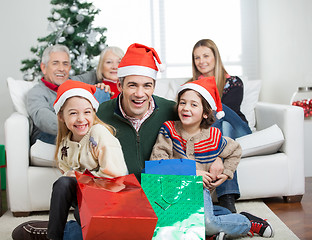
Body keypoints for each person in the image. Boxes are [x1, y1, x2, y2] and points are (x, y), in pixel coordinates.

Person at [150, 78, 274, 239]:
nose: (186, 108)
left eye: (194, 105)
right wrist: (191, 172)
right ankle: (219, 226)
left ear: (206, 112)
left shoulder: (213, 136)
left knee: (207, 223)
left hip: (199, 191)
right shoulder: (168, 129)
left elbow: (235, 150)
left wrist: (227, 172)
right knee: (165, 226)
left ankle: (247, 222)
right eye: (182, 103)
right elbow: (157, 162)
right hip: (172, 189)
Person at [48, 80, 128, 240]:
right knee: (62, 184)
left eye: (87, 112)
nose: (81, 119)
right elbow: (66, 176)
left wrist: (80, 177)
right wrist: (72, 176)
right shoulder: (65, 144)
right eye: (73, 113)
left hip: (109, 196)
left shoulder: (98, 133)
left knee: (82, 213)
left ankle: (75, 232)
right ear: (61, 116)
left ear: (93, 112)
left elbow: (116, 174)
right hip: (84, 198)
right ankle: (53, 236)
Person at [97, 43, 178, 181]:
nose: (140, 94)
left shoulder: (172, 111)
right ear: (119, 86)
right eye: (132, 85)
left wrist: (218, 157)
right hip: (119, 193)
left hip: (161, 192)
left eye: (147, 86)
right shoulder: (100, 114)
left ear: (153, 87)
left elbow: (204, 129)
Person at [190, 39, 253, 213]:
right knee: (222, 128)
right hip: (221, 135)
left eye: (205, 56)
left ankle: (214, 153)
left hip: (239, 129)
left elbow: (224, 113)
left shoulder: (234, 82)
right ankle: (227, 198)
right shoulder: (192, 86)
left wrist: (204, 95)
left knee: (220, 116)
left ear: (215, 57)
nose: (201, 61)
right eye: (197, 58)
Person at [26, 44, 110, 146]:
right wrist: (80, 129)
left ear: (69, 68)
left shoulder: (74, 82)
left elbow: (97, 73)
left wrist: (104, 83)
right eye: (55, 63)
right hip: (50, 135)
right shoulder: (36, 93)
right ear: (44, 68)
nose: (61, 68)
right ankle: (94, 139)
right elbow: (45, 121)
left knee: (101, 92)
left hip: (82, 129)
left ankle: (98, 138)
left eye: (65, 64)